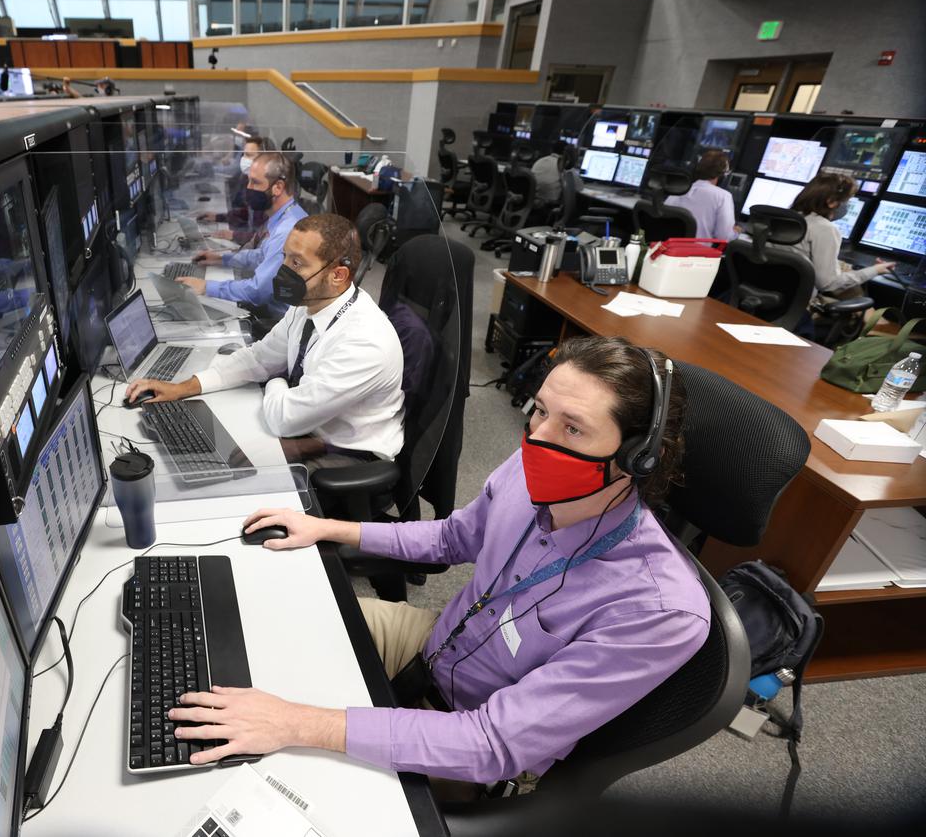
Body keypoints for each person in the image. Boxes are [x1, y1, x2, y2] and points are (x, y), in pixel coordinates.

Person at [164, 336, 710, 795]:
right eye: (540, 411)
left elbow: (491, 743)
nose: (537, 440)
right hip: (433, 643)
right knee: (270, 619)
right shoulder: (531, 469)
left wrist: (299, 723)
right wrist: (334, 528)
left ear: (639, 456)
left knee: (281, 775)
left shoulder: (657, 610)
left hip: (472, 735)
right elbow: (454, 536)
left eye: (573, 428)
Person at [124, 213, 404, 470]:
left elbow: (285, 417)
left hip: (347, 451)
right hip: (307, 424)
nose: (282, 270)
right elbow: (260, 357)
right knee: (213, 439)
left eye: (297, 263)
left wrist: (275, 380)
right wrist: (183, 388)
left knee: (232, 472)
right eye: (284, 258)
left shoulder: (363, 341)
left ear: (338, 275)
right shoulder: (309, 303)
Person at [181, 151, 308, 320]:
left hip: (279, 322)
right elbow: (262, 255)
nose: (248, 188)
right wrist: (221, 259)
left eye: (255, 182)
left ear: (278, 187)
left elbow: (258, 291)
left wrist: (205, 286)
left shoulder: (286, 231)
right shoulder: (285, 216)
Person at [788, 172, 895, 297]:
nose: (847, 206)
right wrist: (875, 270)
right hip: (794, 304)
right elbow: (828, 284)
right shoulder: (824, 229)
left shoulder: (786, 216)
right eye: (847, 201)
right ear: (831, 202)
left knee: (844, 273)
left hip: (768, 295)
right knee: (850, 291)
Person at [197, 135, 274, 244]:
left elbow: (266, 238)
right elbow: (249, 213)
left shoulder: (269, 191)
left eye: (248, 155)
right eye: (243, 154)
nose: (243, 159)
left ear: (265, 159)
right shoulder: (251, 182)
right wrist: (219, 217)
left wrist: (233, 235)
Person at [665, 149, 736, 241]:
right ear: (722, 176)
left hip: (667, 250)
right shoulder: (723, 196)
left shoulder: (680, 189)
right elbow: (724, 237)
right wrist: (736, 232)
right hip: (697, 253)